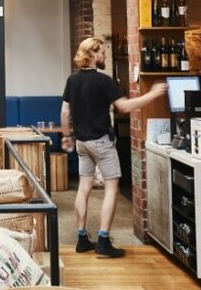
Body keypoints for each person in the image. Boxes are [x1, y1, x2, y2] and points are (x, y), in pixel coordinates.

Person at [60, 36, 167, 258]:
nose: (105, 55)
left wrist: (67, 136)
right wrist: (152, 94)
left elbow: (64, 112)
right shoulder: (104, 81)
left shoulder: (72, 80)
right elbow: (124, 107)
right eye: (102, 52)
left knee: (84, 187)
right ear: (92, 55)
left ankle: (81, 237)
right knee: (111, 188)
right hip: (101, 143)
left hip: (81, 142)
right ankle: (103, 240)